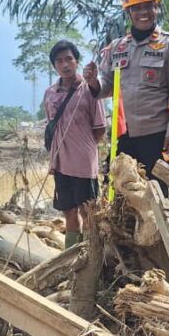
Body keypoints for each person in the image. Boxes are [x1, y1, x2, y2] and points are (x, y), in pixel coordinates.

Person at [84, 0, 169, 193]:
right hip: (124, 135)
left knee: (157, 196)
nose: (143, 13)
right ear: (128, 12)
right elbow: (106, 85)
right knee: (118, 195)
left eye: (149, 6)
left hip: (157, 136)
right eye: (137, 8)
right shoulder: (117, 47)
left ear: (156, 8)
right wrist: (93, 81)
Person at [45, 40, 106, 249]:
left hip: (84, 163)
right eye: (59, 61)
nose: (65, 65)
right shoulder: (50, 93)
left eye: (69, 59)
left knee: (87, 210)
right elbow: (52, 125)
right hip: (61, 162)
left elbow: (100, 128)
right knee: (69, 211)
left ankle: (91, 253)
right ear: (54, 65)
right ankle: (70, 254)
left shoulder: (90, 90)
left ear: (77, 61)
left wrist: (83, 149)